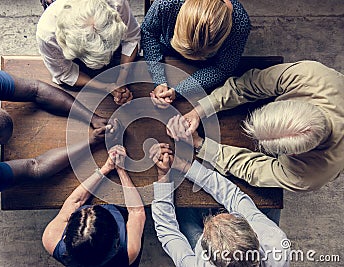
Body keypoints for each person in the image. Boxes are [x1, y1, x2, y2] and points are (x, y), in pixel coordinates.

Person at [166, 60, 344, 191]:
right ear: (287, 102)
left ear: (294, 154)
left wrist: (200, 145)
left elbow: (251, 169)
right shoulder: (310, 74)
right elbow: (248, 86)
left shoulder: (308, 177)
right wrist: (199, 111)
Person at [0, 66, 114, 196]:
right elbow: (34, 167)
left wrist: (93, 118)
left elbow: (35, 89)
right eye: (1, 142)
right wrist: (91, 142)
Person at [149, 143, 290, 266]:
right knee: (269, 198)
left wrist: (163, 176)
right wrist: (186, 167)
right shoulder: (275, 241)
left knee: (184, 213)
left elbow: (168, 231)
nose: (213, 216)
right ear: (254, 234)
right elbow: (235, 197)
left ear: (210, 260)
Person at [42, 145, 145, 267]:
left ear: (65, 237)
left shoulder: (51, 239)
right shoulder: (129, 252)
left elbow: (76, 201)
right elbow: (136, 211)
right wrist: (120, 170)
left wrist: (106, 168)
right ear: (117, 240)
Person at [141, 0, 251, 108]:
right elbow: (148, 32)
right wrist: (159, 79)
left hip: (206, 65)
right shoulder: (165, 3)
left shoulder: (240, 24)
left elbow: (223, 68)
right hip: (165, 49)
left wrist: (179, 91)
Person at [36, 0, 141, 105]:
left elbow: (131, 38)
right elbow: (65, 73)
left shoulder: (117, 2)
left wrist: (121, 80)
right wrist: (106, 87)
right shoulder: (47, 34)